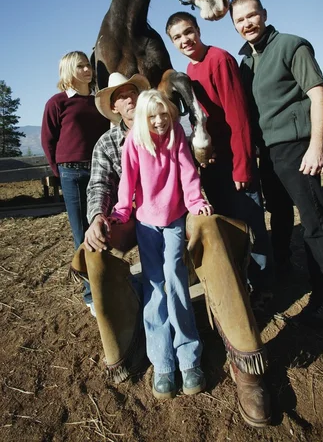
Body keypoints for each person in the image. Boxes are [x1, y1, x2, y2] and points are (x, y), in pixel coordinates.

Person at [78, 71, 270, 427]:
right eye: (120, 95)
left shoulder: (171, 131)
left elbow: (188, 173)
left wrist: (197, 200)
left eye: (133, 90)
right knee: (140, 276)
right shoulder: (110, 144)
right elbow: (102, 186)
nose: (129, 98)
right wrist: (99, 218)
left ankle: (232, 353)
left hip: (177, 211)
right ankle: (137, 351)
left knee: (189, 261)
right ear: (115, 106)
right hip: (136, 216)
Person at [230, 0, 323, 328]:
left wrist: (316, 146)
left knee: (313, 220)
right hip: (268, 152)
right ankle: (284, 271)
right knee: (278, 216)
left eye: (251, 15)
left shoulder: (292, 46)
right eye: (240, 20)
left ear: (263, 13)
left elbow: (319, 95)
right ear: (235, 26)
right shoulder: (246, 62)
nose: (248, 23)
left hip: (298, 147)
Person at [110, 90, 212, 399]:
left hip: (174, 219)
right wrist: (121, 211)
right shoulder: (134, 142)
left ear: (170, 114)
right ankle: (163, 361)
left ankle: (189, 357)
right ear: (142, 118)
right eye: (152, 116)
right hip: (146, 223)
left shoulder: (176, 135)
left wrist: (195, 201)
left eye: (164, 115)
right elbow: (127, 182)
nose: (159, 121)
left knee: (176, 279)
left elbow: (187, 170)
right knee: (155, 286)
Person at [165, 12, 273, 290]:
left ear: (198, 30)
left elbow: (239, 118)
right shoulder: (190, 71)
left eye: (188, 32)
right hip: (214, 163)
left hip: (235, 162)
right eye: (177, 37)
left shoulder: (219, 60)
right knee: (227, 226)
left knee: (250, 226)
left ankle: (264, 286)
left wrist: (243, 166)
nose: (185, 40)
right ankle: (243, 281)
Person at [41, 51, 109, 313]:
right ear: (69, 70)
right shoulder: (57, 102)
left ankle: (109, 282)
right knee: (82, 233)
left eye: (88, 65)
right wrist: (59, 172)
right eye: (80, 66)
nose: (87, 70)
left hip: (99, 172)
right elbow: (48, 140)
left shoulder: (99, 101)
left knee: (104, 228)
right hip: (72, 173)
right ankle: (91, 294)